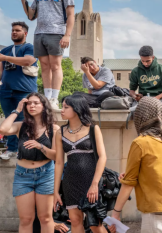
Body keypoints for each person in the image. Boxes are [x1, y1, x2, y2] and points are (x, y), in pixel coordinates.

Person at [110, 97, 162, 233]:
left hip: (156, 211)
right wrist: (137, 175)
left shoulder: (140, 143)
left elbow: (128, 184)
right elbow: (160, 171)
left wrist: (115, 213)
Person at [0, 92, 59, 233]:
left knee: (45, 218)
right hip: (23, 175)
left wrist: (41, 146)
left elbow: (56, 156)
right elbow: (3, 129)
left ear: (44, 106)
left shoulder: (54, 129)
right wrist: (17, 110)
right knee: (26, 219)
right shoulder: (21, 126)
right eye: (29, 103)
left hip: (45, 173)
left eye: (36, 103)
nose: (32, 105)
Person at [18, 0, 75, 109]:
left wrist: (67, 35)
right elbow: (31, 15)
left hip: (56, 32)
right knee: (44, 66)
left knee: (55, 65)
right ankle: (47, 97)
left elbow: (71, 15)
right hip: (39, 33)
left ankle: (55, 98)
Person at [54, 95, 107, 233]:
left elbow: (102, 157)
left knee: (95, 223)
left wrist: (95, 184)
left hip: (91, 181)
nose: (62, 110)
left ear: (77, 109)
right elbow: (59, 162)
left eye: (66, 107)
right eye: (62, 106)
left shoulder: (93, 129)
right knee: (76, 221)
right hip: (70, 182)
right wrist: (55, 191)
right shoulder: (60, 132)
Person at [0, 21, 38, 160]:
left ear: (25, 33)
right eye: (13, 30)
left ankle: (24, 149)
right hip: (6, 91)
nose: (14, 32)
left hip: (25, 91)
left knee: (25, 121)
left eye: (18, 30)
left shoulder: (30, 47)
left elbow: (28, 61)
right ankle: (11, 149)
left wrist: (6, 58)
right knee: (9, 120)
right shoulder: (5, 50)